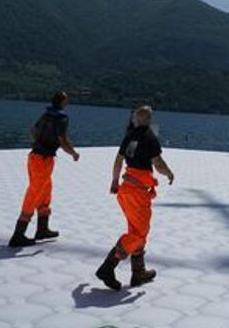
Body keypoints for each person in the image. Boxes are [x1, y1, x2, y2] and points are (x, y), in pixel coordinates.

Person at [96, 105, 175, 291]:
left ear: (136, 119)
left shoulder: (129, 136)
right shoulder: (149, 137)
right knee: (138, 234)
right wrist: (169, 173)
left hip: (126, 189)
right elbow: (158, 163)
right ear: (149, 118)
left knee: (136, 230)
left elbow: (118, 160)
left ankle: (138, 272)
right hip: (138, 193)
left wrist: (115, 181)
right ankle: (108, 267)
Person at [9, 91, 79, 247]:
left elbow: (32, 130)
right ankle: (18, 235)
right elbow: (62, 140)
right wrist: (73, 153)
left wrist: (38, 143)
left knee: (45, 190)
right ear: (63, 102)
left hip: (34, 157)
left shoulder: (46, 115)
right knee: (34, 193)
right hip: (43, 160)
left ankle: (42, 229)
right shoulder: (61, 117)